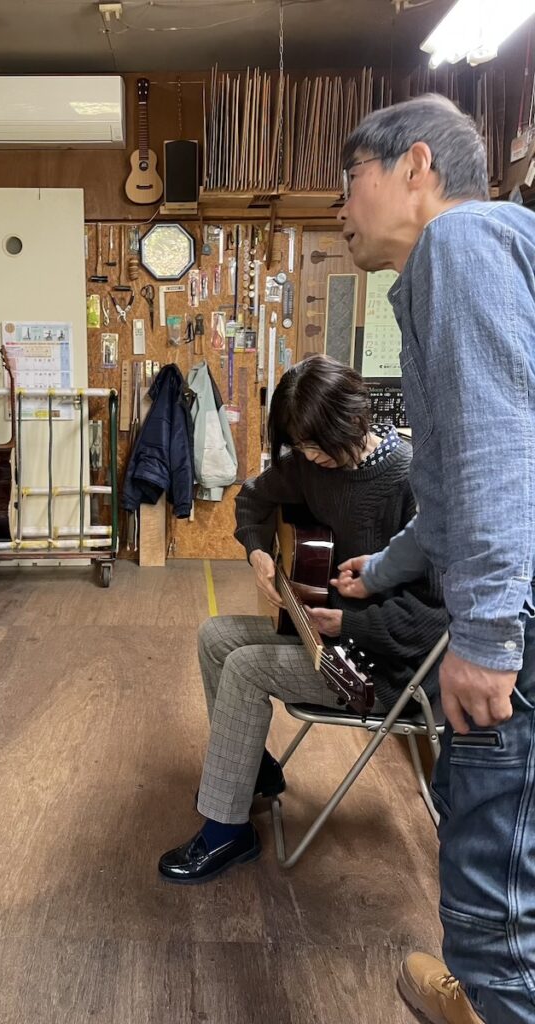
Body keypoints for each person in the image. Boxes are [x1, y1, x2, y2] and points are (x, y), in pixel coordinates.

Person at [338, 94, 535, 1024]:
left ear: (417, 167)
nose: (342, 206)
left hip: (516, 616)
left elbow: (502, 452)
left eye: (352, 179)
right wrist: (381, 570)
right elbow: (456, 489)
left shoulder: (462, 242)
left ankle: (494, 997)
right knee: (492, 825)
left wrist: (488, 635)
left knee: (493, 884)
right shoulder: (459, 262)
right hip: (510, 600)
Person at [157, 355, 446, 884]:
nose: (309, 457)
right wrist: (257, 551)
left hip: (383, 670)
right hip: (326, 638)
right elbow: (253, 497)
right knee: (215, 635)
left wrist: (349, 625)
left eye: (316, 445)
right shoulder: (314, 463)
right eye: (301, 446)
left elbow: (435, 621)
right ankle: (252, 771)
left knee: (245, 669)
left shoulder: (411, 481)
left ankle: (226, 832)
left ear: (353, 419)